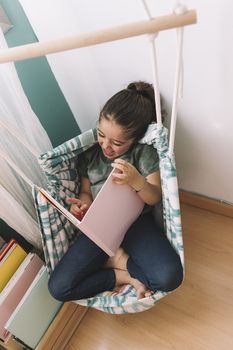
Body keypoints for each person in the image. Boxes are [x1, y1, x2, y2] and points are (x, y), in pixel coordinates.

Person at [48, 81, 183, 301]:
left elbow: (155, 196)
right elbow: (85, 192)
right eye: (101, 135)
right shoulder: (91, 155)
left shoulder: (143, 154)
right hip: (100, 229)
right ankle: (122, 273)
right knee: (59, 288)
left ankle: (119, 259)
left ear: (134, 139)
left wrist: (137, 181)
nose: (106, 146)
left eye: (117, 142)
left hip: (135, 224)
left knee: (169, 277)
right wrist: (82, 204)